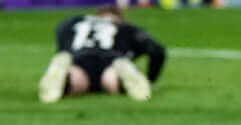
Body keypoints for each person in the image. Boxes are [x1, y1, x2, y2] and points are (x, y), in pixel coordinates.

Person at [38, 6, 167, 103]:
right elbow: (157, 50)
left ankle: (66, 77)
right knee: (112, 80)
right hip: (112, 59)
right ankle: (122, 77)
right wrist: (151, 79)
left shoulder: (75, 21)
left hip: (78, 57)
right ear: (120, 16)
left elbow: (60, 31)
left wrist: (63, 51)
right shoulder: (126, 27)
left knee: (76, 81)